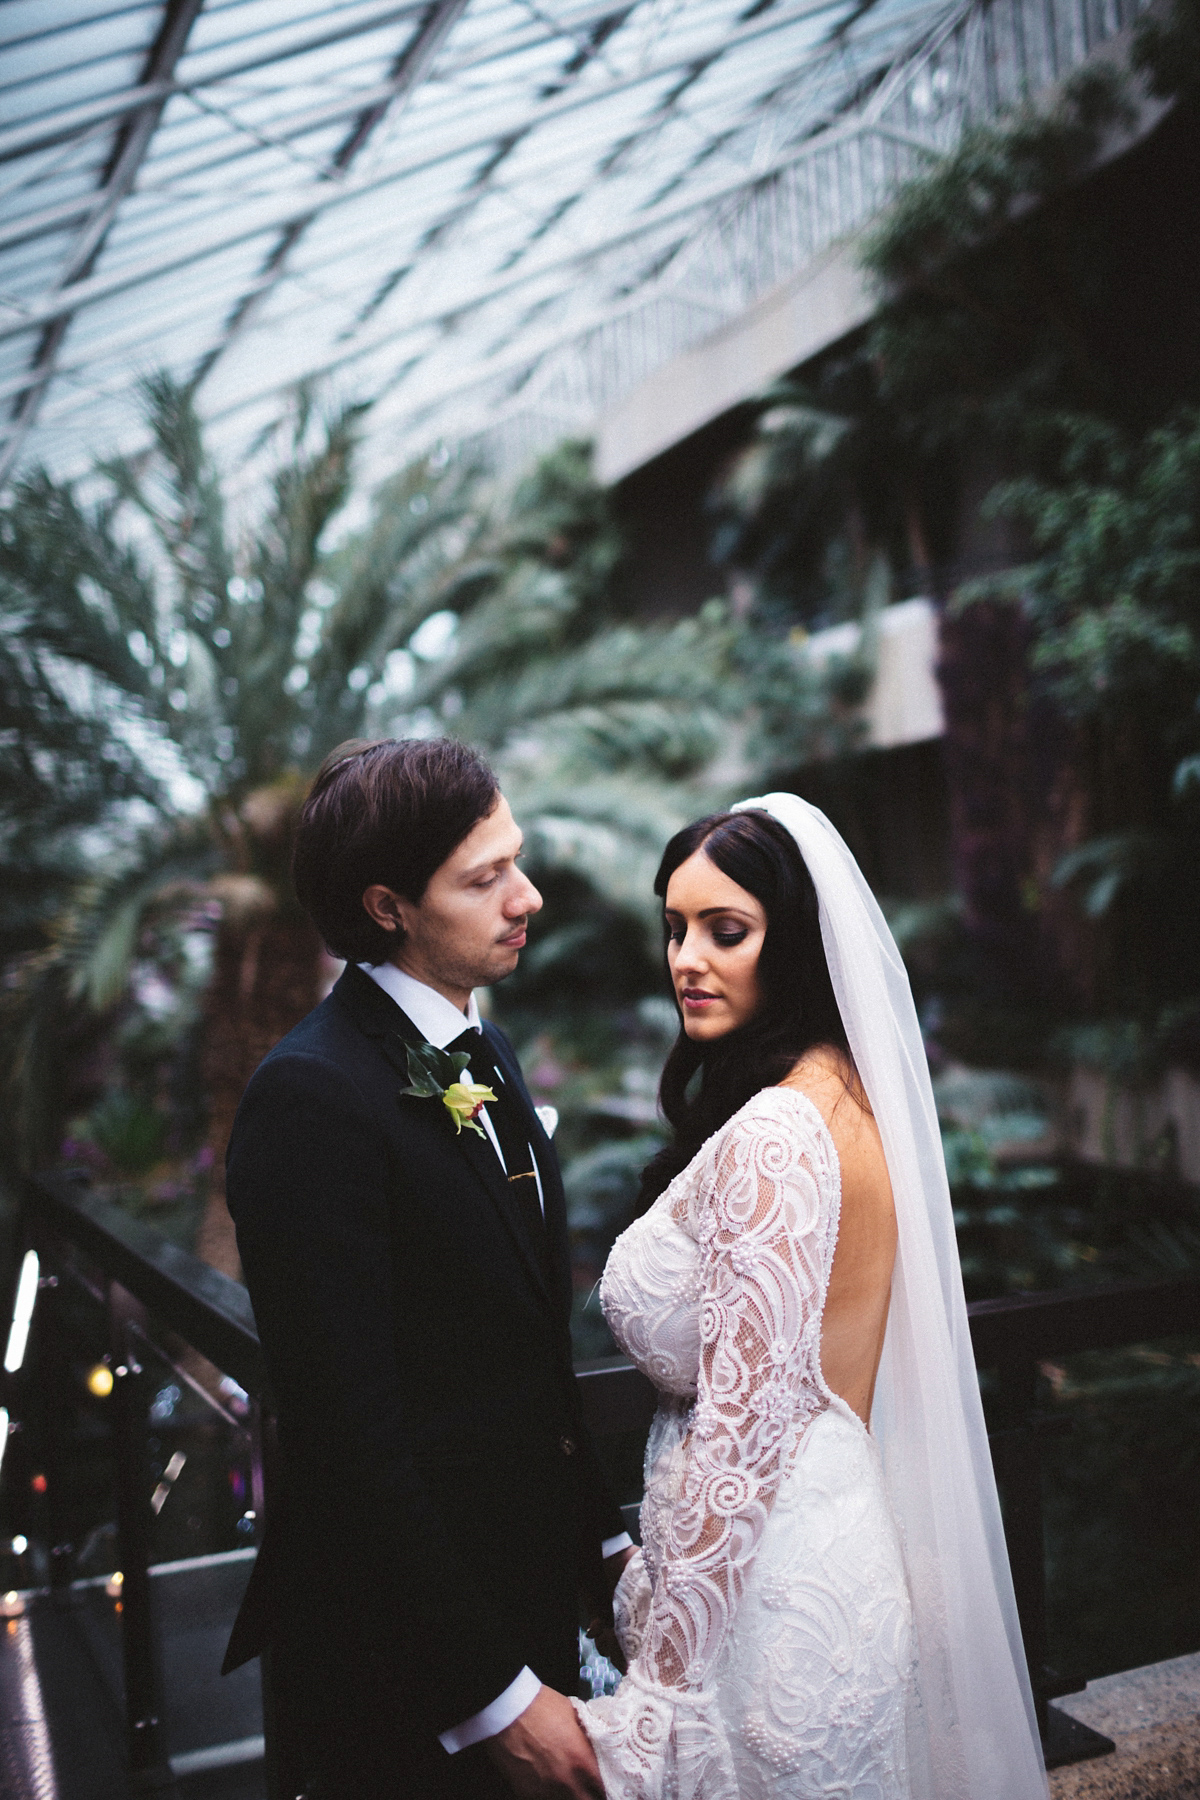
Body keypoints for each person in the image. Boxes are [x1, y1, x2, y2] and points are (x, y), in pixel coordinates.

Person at [574, 796, 1049, 1800]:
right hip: (815, 1560)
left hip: (764, 1620)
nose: (686, 959)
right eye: (675, 928)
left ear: (792, 943)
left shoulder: (779, 1135)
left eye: (726, 930)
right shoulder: (845, 1095)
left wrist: (657, 1699)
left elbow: (746, 1433)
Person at [221, 737, 632, 1799]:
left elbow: (528, 1356)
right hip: (409, 1683)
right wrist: (495, 1697)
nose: (525, 895)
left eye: (517, 860)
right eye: (484, 877)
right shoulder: (308, 1098)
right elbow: (350, 1437)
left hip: (532, 1603)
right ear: (388, 905)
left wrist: (609, 1549)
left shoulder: (480, 1051)